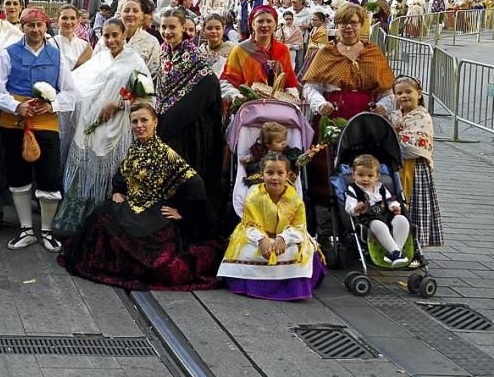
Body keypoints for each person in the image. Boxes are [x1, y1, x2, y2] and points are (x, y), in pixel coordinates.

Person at [58, 102, 222, 291]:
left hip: (154, 212)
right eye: (134, 121)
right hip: (132, 205)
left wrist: (182, 212)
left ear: (155, 122)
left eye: (144, 120)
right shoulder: (136, 148)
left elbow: (196, 184)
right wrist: (118, 191)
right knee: (100, 217)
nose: (139, 125)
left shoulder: (166, 154)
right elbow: (122, 175)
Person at [0, 7, 77, 252]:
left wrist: (52, 104)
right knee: (18, 175)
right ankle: (26, 229)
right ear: (23, 27)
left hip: (46, 123)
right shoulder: (8, 54)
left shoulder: (57, 56)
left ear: (47, 26)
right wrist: (16, 106)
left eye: (39, 25)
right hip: (14, 123)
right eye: (30, 25)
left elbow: (71, 93)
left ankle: (46, 230)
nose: (35, 30)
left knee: (49, 176)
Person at [55, 18, 150, 235]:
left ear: (124, 35)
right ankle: (78, 225)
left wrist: (119, 104)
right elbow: (77, 83)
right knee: (84, 173)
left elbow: (146, 98)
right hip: (91, 124)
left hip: (118, 127)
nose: (110, 40)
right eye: (106, 36)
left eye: (115, 35)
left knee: (112, 177)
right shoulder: (100, 59)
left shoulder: (135, 61)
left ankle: (107, 228)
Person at [217, 153, 325, 301]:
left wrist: (283, 238)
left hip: (285, 238)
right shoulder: (254, 195)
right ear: (262, 175)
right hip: (258, 236)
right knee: (248, 250)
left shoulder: (295, 198)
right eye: (270, 173)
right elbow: (248, 225)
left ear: (288, 175)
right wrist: (262, 240)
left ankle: (292, 287)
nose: (275, 177)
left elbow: (299, 227)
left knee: (298, 250)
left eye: (280, 173)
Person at [155, 7, 225, 227]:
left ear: (183, 28)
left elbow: (209, 83)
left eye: (172, 27)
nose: (167, 31)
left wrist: (179, 112)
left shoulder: (192, 54)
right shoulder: (165, 51)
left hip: (190, 129)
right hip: (167, 123)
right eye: (163, 27)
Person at [303, 3, 395, 120]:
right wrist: (320, 104)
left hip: (367, 119)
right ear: (337, 25)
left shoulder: (373, 52)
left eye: (353, 22)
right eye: (344, 22)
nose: (349, 26)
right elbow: (311, 87)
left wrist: (383, 106)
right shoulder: (326, 52)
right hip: (333, 117)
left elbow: (387, 90)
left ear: (361, 24)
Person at [390, 76, 441, 248]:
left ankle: (415, 245)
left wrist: (392, 136)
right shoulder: (395, 116)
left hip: (415, 166)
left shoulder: (422, 116)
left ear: (419, 94)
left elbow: (414, 142)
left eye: (408, 92)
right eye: (399, 93)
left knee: (414, 205)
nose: (404, 96)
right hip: (397, 165)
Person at [221, 6, 300, 102]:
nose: (265, 25)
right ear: (252, 24)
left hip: (277, 110)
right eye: (260, 21)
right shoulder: (240, 50)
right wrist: (236, 96)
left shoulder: (282, 50)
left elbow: (289, 83)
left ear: (275, 25)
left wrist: (291, 97)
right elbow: (226, 81)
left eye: (269, 21)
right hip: (248, 107)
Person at [345, 153, 410, 266]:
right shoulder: (353, 189)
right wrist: (356, 208)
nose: (365, 179)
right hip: (368, 219)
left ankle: (396, 252)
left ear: (377, 177)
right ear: (353, 175)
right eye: (360, 175)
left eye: (370, 176)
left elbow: (390, 200)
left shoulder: (381, 187)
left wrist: (394, 206)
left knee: (402, 220)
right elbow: (349, 208)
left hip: (386, 215)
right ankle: (395, 252)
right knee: (378, 225)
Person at [95, 0, 160, 77]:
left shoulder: (152, 42)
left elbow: (154, 73)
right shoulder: (106, 39)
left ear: (141, 15)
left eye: (135, 11)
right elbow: (94, 66)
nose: (130, 14)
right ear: (120, 14)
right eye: (126, 11)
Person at [51, 5, 92, 71]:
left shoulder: (85, 46)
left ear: (77, 21)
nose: (68, 22)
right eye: (64, 18)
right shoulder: (49, 44)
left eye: (72, 18)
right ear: (57, 21)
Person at [198, 12, 235, 79]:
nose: (214, 31)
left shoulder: (232, 49)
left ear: (223, 30)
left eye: (217, 28)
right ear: (203, 30)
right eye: (209, 28)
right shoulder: (200, 51)